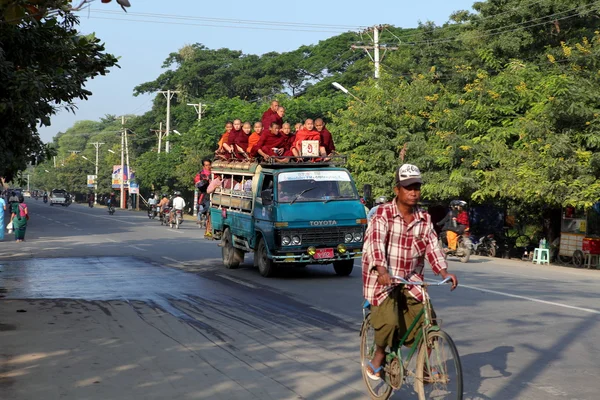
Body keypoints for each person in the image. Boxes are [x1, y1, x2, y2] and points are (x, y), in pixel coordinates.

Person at [362, 163, 458, 380]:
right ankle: (378, 356)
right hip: (383, 279)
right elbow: (375, 244)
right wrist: (382, 269)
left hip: (410, 279)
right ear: (397, 190)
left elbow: (433, 246)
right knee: (389, 322)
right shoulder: (383, 214)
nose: (413, 192)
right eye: (408, 187)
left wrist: (444, 273)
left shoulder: (424, 218)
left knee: (429, 323)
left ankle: (424, 367)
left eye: (416, 187)